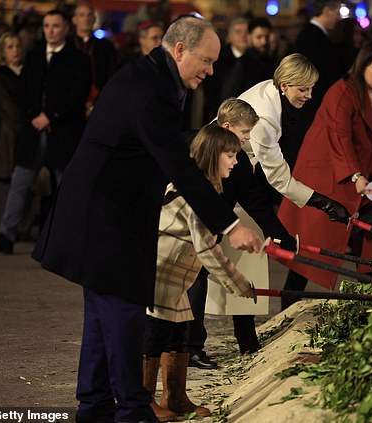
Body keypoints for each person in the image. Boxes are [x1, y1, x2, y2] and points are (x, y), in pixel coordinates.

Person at [31, 16, 262, 423]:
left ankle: (96, 405)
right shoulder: (150, 89)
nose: (210, 71)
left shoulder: (153, 78)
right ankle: (132, 410)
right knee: (123, 315)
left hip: (107, 212)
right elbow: (178, 163)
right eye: (206, 61)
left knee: (103, 315)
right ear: (179, 50)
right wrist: (230, 225)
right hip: (104, 217)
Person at [144, 125, 256, 420]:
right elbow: (208, 252)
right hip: (161, 276)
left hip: (176, 280)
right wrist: (239, 284)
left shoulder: (201, 189)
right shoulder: (197, 196)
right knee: (153, 338)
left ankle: (175, 398)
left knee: (179, 337)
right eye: (230, 155)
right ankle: (141, 401)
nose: (235, 162)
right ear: (210, 155)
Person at [278, 41, 372, 301]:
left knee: (370, 243)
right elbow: (339, 136)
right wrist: (355, 174)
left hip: (364, 176)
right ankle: (287, 309)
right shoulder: (342, 91)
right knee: (311, 248)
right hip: (327, 173)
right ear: (362, 66)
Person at [185, 98, 296, 366]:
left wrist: (280, 234)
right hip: (183, 229)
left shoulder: (239, 162)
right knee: (193, 278)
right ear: (226, 127)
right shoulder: (191, 148)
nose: (248, 139)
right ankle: (188, 348)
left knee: (211, 272)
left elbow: (255, 200)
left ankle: (203, 346)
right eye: (245, 132)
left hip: (210, 230)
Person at [0, 10, 91, 254]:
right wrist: (35, 116)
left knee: (66, 188)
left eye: (55, 25)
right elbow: (24, 92)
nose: (50, 30)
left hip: (62, 131)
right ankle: (5, 234)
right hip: (33, 132)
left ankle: (68, 238)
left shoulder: (77, 59)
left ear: (65, 28)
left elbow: (78, 94)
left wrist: (51, 116)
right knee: (20, 182)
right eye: (46, 26)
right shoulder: (33, 57)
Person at [238, 53, 350, 227]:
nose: (309, 95)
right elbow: (279, 179)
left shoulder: (271, 87)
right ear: (284, 86)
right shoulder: (265, 119)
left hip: (236, 168)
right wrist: (326, 205)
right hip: (217, 167)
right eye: (303, 89)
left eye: (311, 88)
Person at [0, 32, 24, 235]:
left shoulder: (27, 72)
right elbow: (6, 107)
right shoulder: (0, 74)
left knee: (25, 182)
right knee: (6, 180)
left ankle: (21, 227)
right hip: (8, 134)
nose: (15, 51)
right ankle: (0, 228)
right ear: (2, 51)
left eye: (18, 46)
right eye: (10, 47)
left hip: (25, 133)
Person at [293, 0, 345, 124]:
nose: (339, 18)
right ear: (327, 11)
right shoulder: (314, 38)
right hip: (312, 106)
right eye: (337, 12)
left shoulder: (312, 34)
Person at [71, 1, 118, 115]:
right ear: (74, 20)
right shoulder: (67, 45)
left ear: (94, 19)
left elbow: (111, 75)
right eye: (82, 15)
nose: (86, 19)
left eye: (89, 15)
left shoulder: (106, 46)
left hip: (100, 102)